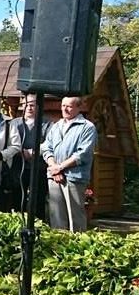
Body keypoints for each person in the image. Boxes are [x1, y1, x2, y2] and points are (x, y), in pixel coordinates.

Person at [41, 96, 98, 232]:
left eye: (69, 106)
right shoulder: (56, 126)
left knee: (75, 217)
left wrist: (60, 168)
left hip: (74, 177)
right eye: (63, 105)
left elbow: (82, 154)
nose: (65, 109)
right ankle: (58, 246)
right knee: (56, 216)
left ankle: (76, 247)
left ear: (79, 108)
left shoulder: (87, 127)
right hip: (54, 176)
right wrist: (53, 167)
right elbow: (46, 148)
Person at [9, 94, 51, 219]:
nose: (29, 108)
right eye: (26, 105)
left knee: (38, 199)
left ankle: (38, 225)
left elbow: (49, 143)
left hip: (38, 168)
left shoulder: (46, 124)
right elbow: (10, 142)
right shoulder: (14, 123)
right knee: (17, 198)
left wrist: (33, 152)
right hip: (18, 166)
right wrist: (21, 152)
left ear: (39, 107)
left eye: (32, 105)